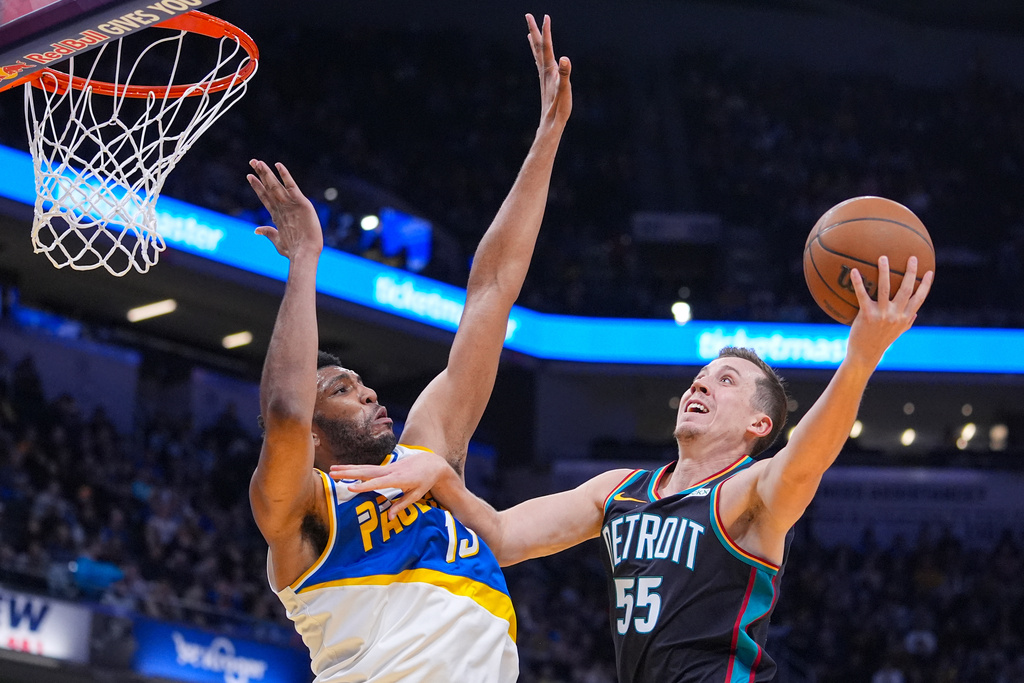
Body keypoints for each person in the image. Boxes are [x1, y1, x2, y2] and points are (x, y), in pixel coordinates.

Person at [331, 256, 934, 682]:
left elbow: (808, 457)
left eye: (727, 382)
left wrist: (860, 359)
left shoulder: (748, 494)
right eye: (703, 375)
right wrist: (435, 472)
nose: (702, 382)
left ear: (759, 428)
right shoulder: (621, 491)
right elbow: (503, 538)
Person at [247, 14, 571, 683]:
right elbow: (283, 410)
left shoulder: (430, 461)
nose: (367, 390)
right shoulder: (301, 509)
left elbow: (491, 291)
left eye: (359, 380)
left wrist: (546, 141)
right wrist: (305, 259)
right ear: (312, 436)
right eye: (339, 389)